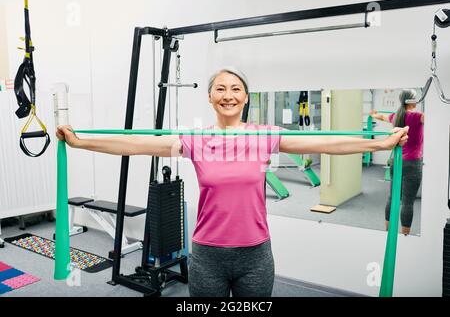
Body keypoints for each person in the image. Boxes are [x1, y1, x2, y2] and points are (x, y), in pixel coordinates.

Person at [57, 67, 408, 297]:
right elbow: (133, 145)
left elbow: (325, 142)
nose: (228, 94)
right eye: (220, 89)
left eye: (236, 89)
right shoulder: (194, 139)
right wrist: (80, 141)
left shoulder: (263, 135)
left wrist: (378, 144)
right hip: (208, 255)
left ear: (245, 97)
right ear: (210, 97)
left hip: (256, 255)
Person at [370, 89, 424, 236]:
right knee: (407, 202)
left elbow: (381, 116)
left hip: (397, 162)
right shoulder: (418, 116)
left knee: (392, 197)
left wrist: (373, 114)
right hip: (413, 163)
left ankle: (387, 232)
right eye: (415, 99)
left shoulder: (396, 116)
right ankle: (405, 235)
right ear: (411, 101)